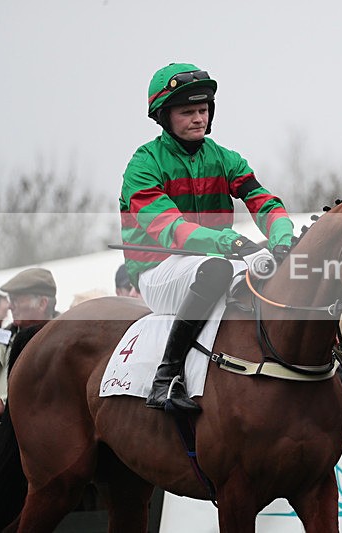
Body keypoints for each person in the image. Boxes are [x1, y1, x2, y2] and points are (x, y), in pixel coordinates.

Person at [120, 63, 294, 413]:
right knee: (216, 269)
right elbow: (171, 228)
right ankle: (165, 379)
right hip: (157, 270)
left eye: (203, 110)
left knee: (263, 276)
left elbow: (265, 202)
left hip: (212, 262)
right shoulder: (144, 164)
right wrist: (228, 242)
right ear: (164, 117)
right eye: (187, 112)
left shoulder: (225, 158)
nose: (198, 118)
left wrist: (282, 237)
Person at [0, 268, 58, 420]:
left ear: (42, 303)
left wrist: (3, 405)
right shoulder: (3, 337)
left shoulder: (63, 341)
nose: (10, 306)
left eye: (16, 299)